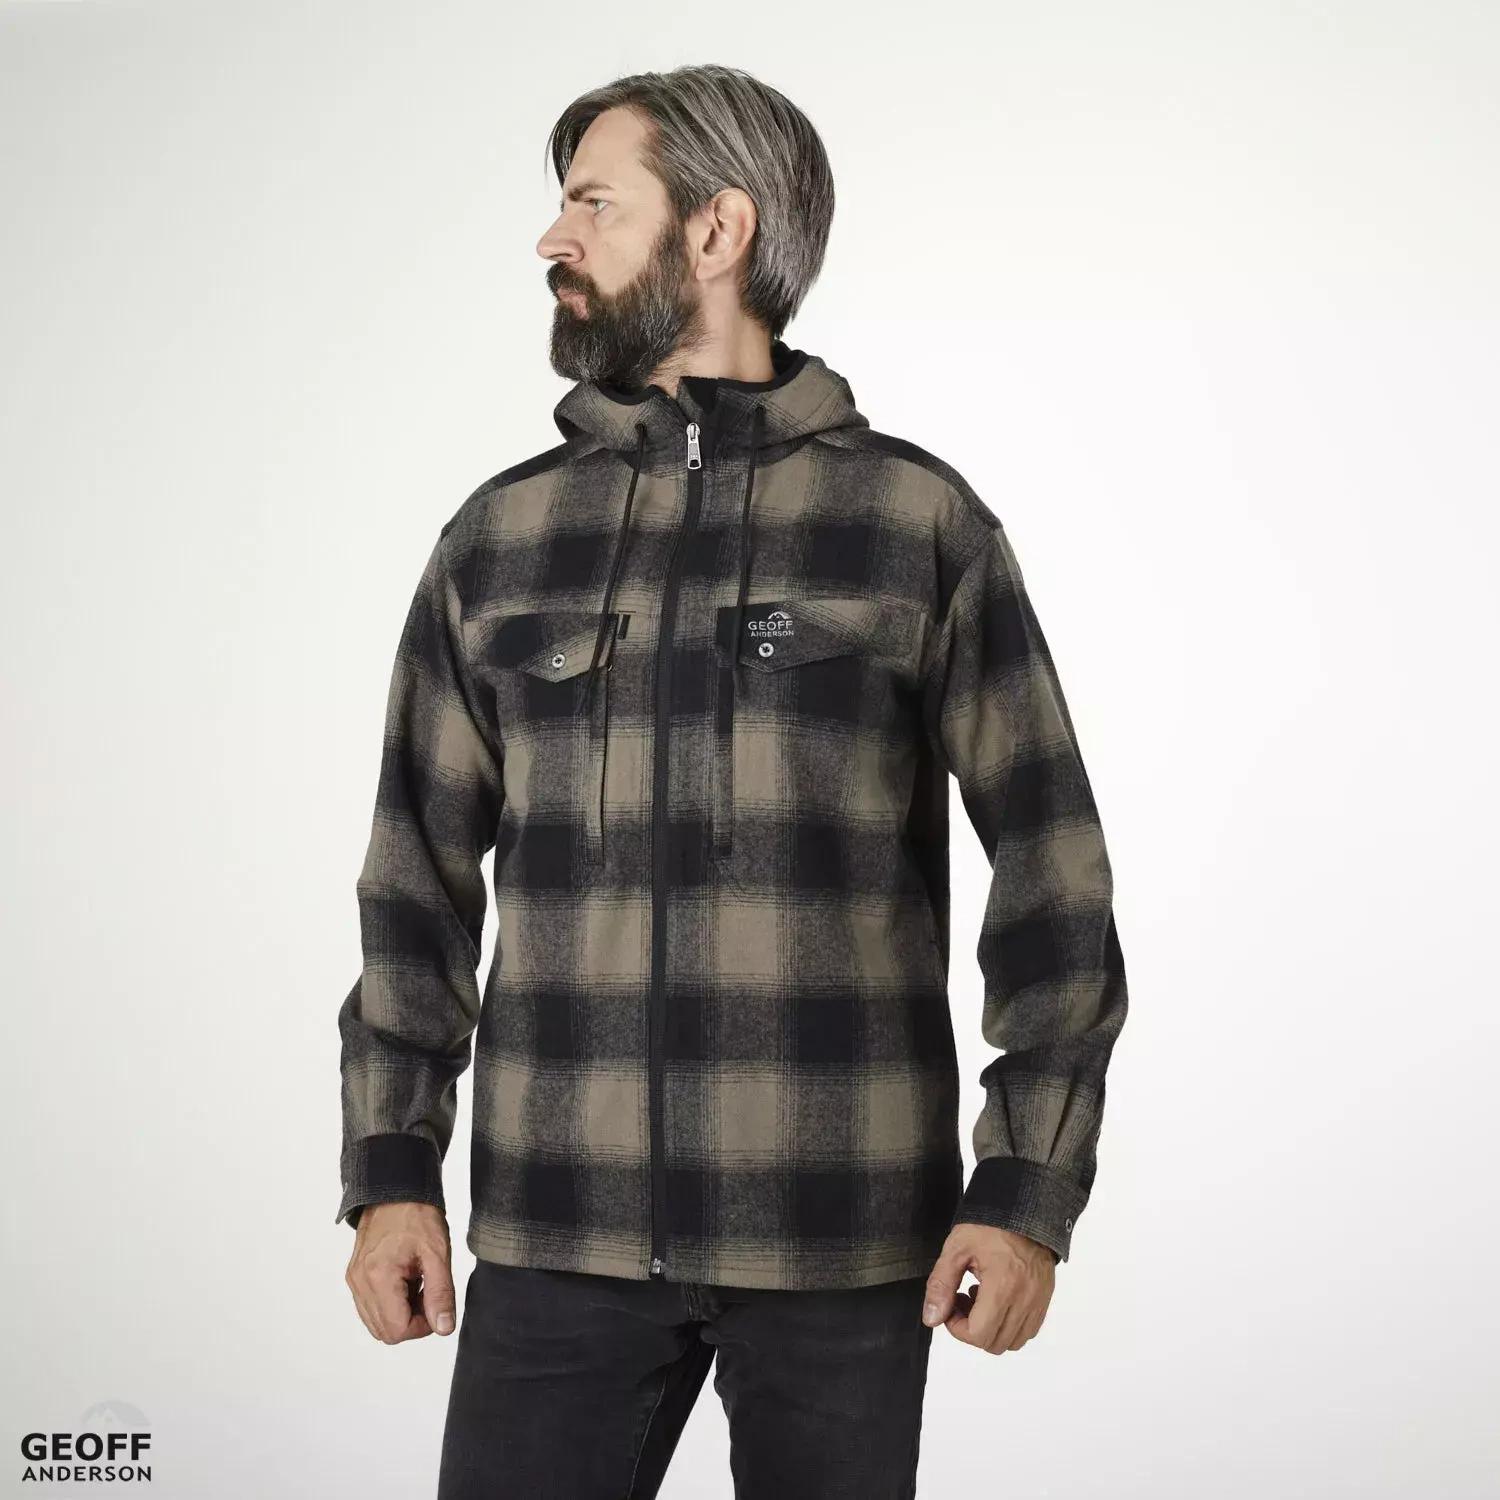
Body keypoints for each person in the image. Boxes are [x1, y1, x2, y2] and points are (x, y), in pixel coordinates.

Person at [335, 62, 1129, 1500]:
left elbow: (1053, 868)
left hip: (843, 1236)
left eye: (594, 202)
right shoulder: (498, 541)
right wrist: (392, 1168)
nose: (554, 239)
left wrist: (1027, 1188)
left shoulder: (914, 523)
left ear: (717, 230)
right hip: (558, 1235)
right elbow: (416, 884)